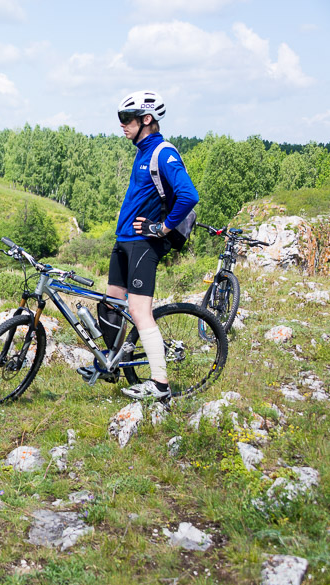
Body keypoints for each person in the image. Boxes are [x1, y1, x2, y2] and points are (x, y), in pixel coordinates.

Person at [88, 90, 199, 403]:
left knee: (138, 311)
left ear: (146, 119)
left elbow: (189, 195)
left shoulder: (163, 153)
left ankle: (160, 384)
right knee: (111, 304)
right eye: (120, 118)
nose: (122, 125)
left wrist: (162, 228)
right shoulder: (141, 150)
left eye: (127, 118)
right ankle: (110, 365)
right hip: (124, 242)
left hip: (144, 245)